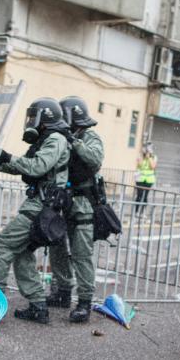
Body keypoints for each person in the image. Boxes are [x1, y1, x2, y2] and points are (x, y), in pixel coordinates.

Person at [0, 97, 70, 324]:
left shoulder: (55, 139)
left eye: (34, 117)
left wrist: (7, 157)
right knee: (21, 253)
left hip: (41, 207)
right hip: (40, 206)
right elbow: (23, 166)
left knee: (2, 246)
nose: (31, 121)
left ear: (46, 117)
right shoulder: (46, 139)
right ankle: (38, 306)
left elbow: (38, 167)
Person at [45, 96, 103, 323]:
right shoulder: (61, 138)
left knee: (81, 255)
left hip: (82, 205)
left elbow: (95, 159)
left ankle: (85, 302)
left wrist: (74, 142)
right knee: (57, 249)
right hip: (62, 202)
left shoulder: (90, 137)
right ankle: (62, 292)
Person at [133, 144, 156, 217]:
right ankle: (136, 212)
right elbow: (139, 165)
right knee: (139, 195)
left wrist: (149, 157)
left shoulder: (154, 157)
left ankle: (142, 212)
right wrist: (142, 157)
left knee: (145, 196)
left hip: (149, 180)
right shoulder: (140, 157)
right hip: (140, 179)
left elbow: (152, 167)